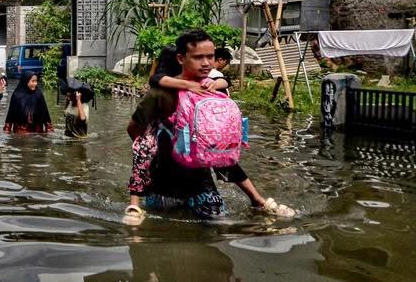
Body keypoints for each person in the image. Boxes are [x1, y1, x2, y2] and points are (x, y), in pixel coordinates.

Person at [125, 30, 294, 224]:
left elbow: (222, 149)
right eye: (198, 57)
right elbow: (134, 129)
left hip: (201, 183)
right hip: (163, 184)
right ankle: (258, 201)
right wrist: (155, 146)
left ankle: (258, 201)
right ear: (181, 58)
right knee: (162, 232)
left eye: (210, 57)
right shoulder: (160, 94)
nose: (206, 63)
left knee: (217, 228)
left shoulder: (214, 90)